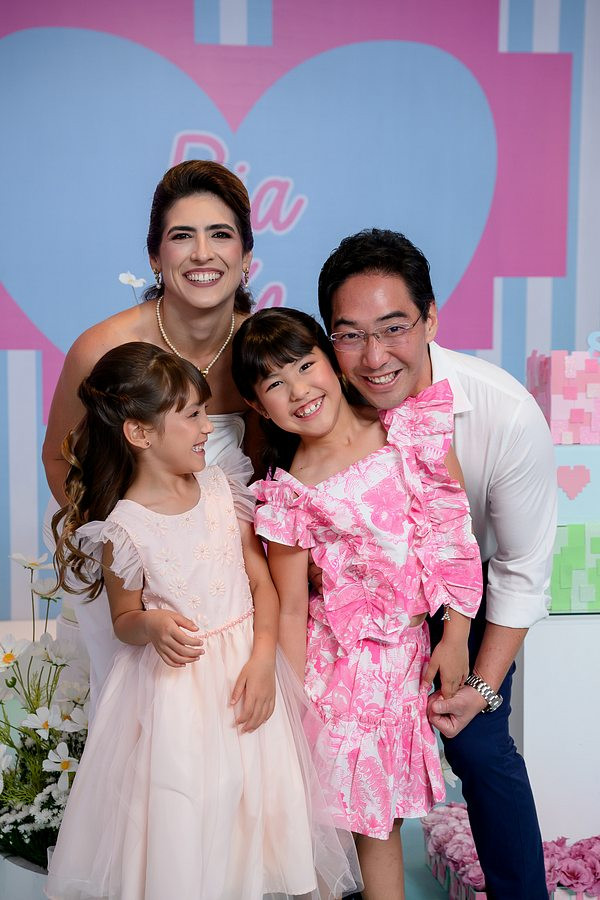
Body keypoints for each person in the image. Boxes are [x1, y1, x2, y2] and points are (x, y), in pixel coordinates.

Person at [45, 342, 359, 900]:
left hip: (245, 675)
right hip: (177, 699)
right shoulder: (125, 528)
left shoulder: (220, 488)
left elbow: (260, 584)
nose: (207, 428)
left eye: (204, 412)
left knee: (254, 805)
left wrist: (264, 659)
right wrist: (151, 626)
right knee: (190, 810)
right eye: (191, 415)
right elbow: (124, 618)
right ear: (139, 433)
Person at [316, 228, 557, 900]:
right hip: (360, 606)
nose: (374, 357)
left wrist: (479, 684)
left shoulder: (505, 414)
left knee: (480, 746)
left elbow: (520, 569)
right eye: (350, 335)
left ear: (431, 318)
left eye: (393, 328)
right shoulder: (318, 405)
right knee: (331, 753)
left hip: (466, 595)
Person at [231, 308, 483, 900]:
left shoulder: (408, 433)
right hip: (335, 674)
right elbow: (291, 608)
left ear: (332, 359)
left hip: (404, 667)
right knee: (331, 828)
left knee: (382, 823)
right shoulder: (290, 494)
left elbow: (451, 538)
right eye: (274, 383)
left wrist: (454, 637)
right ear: (256, 406)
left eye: (305, 365)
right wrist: (291, 710)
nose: (298, 390)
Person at [42, 159, 259, 708]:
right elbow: (58, 459)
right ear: (155, 258)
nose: (202, 253)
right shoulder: (101, 350)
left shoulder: (263, 353)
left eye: (221, 235)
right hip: (134, 589)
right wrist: (129, 551)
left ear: (246, 258)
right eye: (182, 236)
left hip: (235, 582)